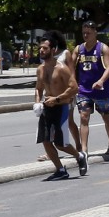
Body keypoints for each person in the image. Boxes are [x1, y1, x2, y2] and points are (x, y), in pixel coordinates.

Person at [32, 31, 81, 180]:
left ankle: (79, 156)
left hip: (61, 107)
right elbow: (38, 88)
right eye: (40, 48)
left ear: (53, 50)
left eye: (45, 48)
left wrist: (57, 99)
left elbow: (74, 88)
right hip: (47, 108)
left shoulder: (61, 68)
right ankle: (60, 170)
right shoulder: (40, 69)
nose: (41, 50)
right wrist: (37, 102)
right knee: (45, 141)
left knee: (60, 144)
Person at [72, 22, 109, 163]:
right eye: (84, 33)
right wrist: (73, 83)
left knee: (106, 116)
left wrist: (101, 81)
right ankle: (84, 150)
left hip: (101, 91)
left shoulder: (103, 48)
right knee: (84, 117)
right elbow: (71, 67)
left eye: (89, 33)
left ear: (95, 32)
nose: (86, 35)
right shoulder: (78, 49)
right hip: (84, 90)